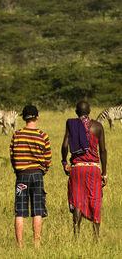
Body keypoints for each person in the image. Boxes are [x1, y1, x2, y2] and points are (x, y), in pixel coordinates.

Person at [61, 101, 107, 239]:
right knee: (95, 199)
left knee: (77, 200)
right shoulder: (98, 126)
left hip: (77, 168)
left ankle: (76, 235)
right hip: (93, 169)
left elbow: (65, 145)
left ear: (76, 112)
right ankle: (96, 235)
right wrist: (104, 173)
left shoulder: (71, 124)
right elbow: (103, 151)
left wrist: (64, 162)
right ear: (90, 111)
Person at [9, 105, 51, 248]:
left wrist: (18, 170)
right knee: (37, 209)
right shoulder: (43, 135)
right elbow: (48, 159)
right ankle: (36, 243)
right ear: (37, 117)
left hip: (21, 176)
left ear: (23, 118)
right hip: (38, 175)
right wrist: (42, 170)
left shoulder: (17, 134)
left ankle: (20, 245)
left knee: (20, 211)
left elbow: (12, 156)